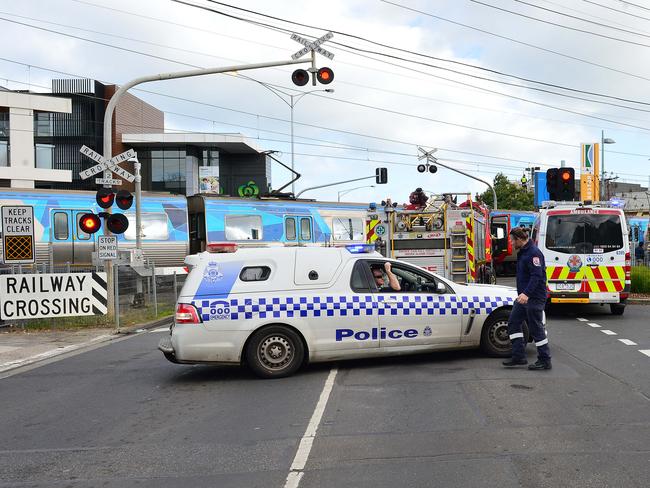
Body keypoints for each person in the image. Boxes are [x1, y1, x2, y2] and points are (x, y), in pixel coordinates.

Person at [502, 227, 552, 370]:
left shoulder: (533, 253)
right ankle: (518, 356)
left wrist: (526, 294)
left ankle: (545, 360)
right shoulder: (524, 252)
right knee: (513, 322)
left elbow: (537, 276)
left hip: (534, 298)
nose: (511, 243)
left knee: (536, 328)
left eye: (512, 240)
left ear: (519, 239)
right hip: (524, 298)